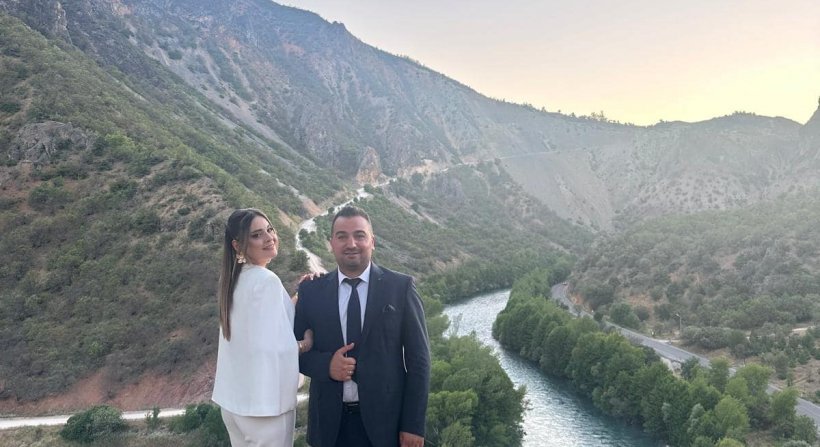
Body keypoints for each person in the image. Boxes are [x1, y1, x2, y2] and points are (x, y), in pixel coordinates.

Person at [294, 206, 431, 447]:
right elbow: (293, 353)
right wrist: (327, 366)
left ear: (372, 241)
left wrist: (413, 425)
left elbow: (419, 360)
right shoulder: (311, 291)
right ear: (331, 243)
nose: (351, 244)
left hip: (387, 428)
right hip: (329, 429)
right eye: (342, 236)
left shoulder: (400, 288)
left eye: (359, 235)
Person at [212, 208, 313, 447]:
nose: (269, 238)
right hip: (265, 409)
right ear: (238, 245)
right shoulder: (267, 280)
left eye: (269, 229)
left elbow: (265, 322)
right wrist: (305, 344)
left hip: (234, 405)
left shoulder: (233, 280)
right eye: (257, 235)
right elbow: (277, 346)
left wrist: (297, 297)